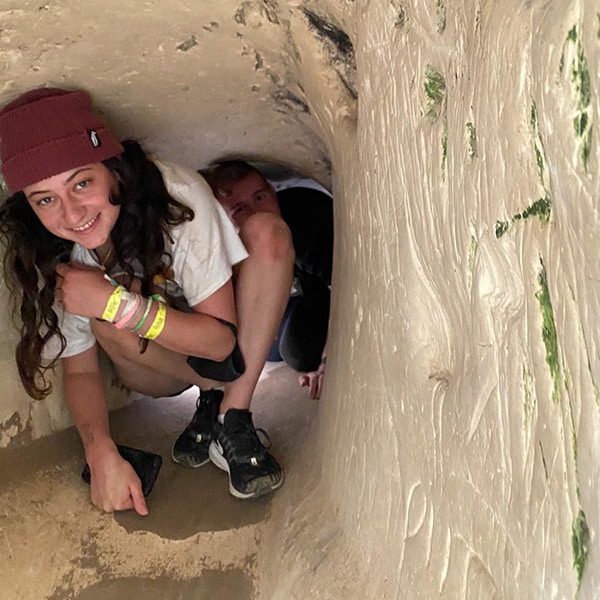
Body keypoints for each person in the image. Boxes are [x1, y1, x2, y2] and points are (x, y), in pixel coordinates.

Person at [0, 87, 294, 515]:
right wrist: (99, 452)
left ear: (113, 169)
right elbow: (80, 372)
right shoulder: (57, 252)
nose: (73, 214)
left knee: (268, 233)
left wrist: (119, 304)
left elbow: (221, 345)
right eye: (45, 200)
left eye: (82, 183)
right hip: (162, 370)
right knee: (102, 322)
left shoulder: (176, 195)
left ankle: (232, 414)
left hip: (225, 344)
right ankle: (210, 397)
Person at [202, 161, 333, 400]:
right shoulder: (219, 244)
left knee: (297, 354)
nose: (256, 212)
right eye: (240, 209)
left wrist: (329, 360)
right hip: (293, 291)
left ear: (273, 192)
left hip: (320, 290)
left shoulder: (307, 217)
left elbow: (345, 290)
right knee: (267, 351)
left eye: (260, 198)